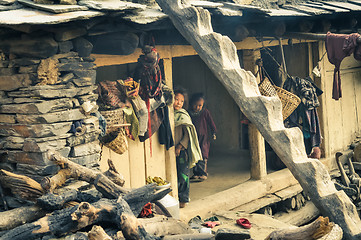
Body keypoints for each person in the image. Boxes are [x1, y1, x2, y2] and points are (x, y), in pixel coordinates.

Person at [173, 88, 202, 208]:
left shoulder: (183, 116)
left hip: (181, 151)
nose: (178, 103)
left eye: (181, 101)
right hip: (170, 151)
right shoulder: (169, 114)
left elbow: (188, 135)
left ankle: (183, 199)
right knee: (174, 175)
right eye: (176, 99)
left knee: (183, 175)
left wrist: (180, 146)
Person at [189, 93, 217, 181]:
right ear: (191, 104)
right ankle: (196, 173)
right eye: (195, 105)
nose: (197, 107)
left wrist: (214, 132)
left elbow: (211, 123)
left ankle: (203, 173)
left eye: (200, 105)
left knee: (203, 155)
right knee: (195, 154)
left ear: (203, 105)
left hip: (204, 138)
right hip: (194, 137)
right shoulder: (189, 113)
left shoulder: (205, 112)